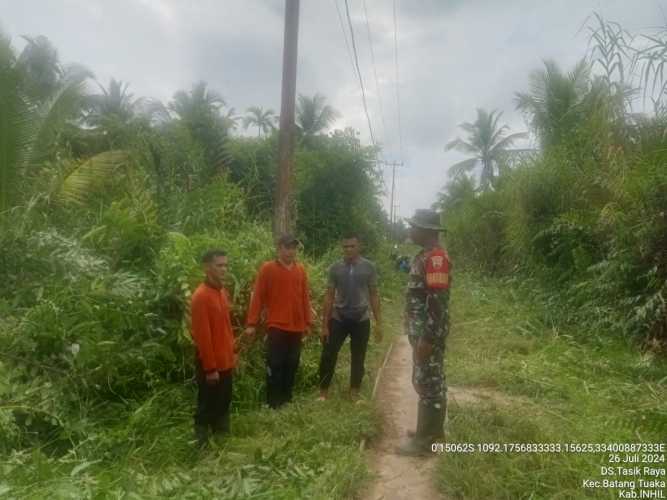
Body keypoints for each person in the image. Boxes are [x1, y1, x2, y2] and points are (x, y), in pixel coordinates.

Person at [397, 209, 451, 456]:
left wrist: (428, 337)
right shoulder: (424, 256)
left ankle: (425, 442)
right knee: (428, 380)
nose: (411, 230)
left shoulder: (436, 258)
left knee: (429, 382)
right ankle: (430, 432)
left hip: (427, 334)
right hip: (420, 332)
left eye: (414, 226)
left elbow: (438, 303)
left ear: (427, 231)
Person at [244, 234, 312, 409]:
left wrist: (307, 323)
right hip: (276, 325)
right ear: (279, 248)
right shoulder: (267, 269)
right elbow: (257, 296)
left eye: (293, 248)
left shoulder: (300, 270)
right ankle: (273, 401)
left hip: (296, 326)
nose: (291, 251)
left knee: (292, 362)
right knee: (275, 363)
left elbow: (305, 298)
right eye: (287, 247)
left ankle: (287, 398)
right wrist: (251, 323)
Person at [318, 233, 382, 400]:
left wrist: (378, 322)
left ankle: (354, 391)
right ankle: (323, 392)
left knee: (358, 356)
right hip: (339, 317)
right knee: (328, 353)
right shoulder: (335, 268)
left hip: (361, 318)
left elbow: (374, 294)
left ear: (359, 246)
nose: (348, 249)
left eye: (352, 246)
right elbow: (329, 295)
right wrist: (324, 325)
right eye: (345, 246)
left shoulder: (369, 267)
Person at [190, 249, 236, 447]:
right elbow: (203, 336)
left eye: (226, 265)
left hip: (226, 359)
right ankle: (201, 443)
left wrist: (233, 355)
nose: (224, 269)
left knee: (223, 401)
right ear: (207, 267)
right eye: (219, 265)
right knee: (206, 405)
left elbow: (226, 328)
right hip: (211, 364)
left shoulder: (222, 291)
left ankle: (222, 438)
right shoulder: (200, 296)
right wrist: (210, 368)